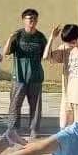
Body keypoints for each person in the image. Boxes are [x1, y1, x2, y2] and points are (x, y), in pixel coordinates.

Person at [4, 9, 48, 137]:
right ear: (24, 20)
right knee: (15, 104)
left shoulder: (40, 37)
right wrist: (10, 38)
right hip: (19, 76)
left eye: (34, 18)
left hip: (35, 76)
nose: (32, 21)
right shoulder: (18, 35)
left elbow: (46, 55)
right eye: (30, 18)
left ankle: (34, 129)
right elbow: (6, 52)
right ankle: (13, 129)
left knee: (36, 106)